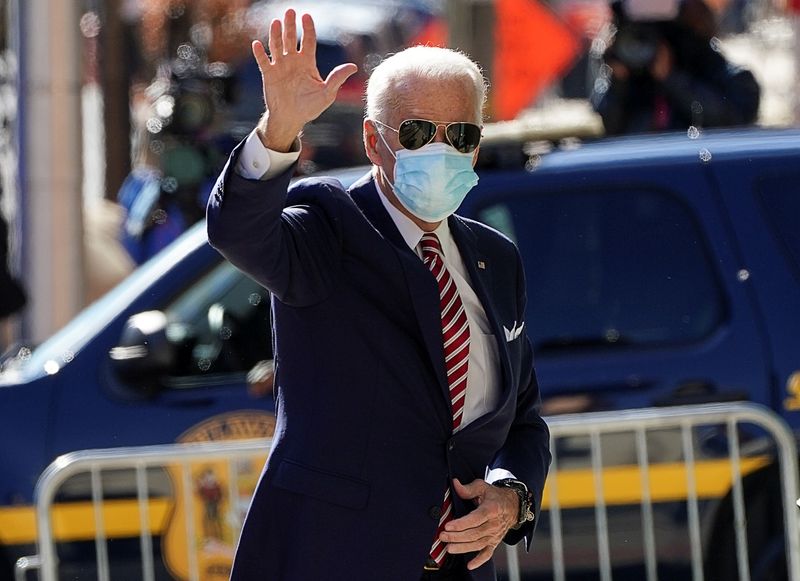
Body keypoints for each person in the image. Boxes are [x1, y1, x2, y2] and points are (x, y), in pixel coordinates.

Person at [206, 9, 551, 581]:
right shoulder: (330, 225)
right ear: (372, 140)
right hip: (332, 559)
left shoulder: (497, 259)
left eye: (460, 135)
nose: (440, 150)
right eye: (417, 133)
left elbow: (524, 420)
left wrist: (512, 496)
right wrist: (278, 131)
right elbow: (239, 232)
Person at [592, 0, 761, 135]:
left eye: (668, 30)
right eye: (640, 34)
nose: (654, 42)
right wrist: (619, 82)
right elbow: (611, 128)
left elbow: (729, 122)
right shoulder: (631, 82)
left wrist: (672, 79)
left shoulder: (732, 79)